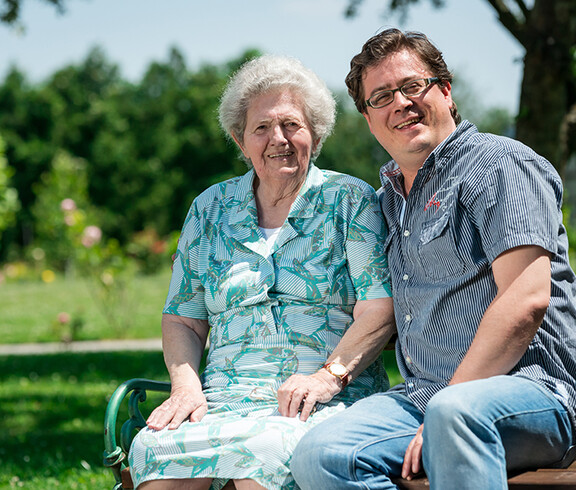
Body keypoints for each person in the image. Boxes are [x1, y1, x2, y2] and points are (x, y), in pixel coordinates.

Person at [291, 28, 576, 489]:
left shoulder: (500, 164)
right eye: (381, 96)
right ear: (368, 118)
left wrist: (452, 404)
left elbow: (527, 299)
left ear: (444, 90)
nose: (400, 103)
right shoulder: (386, 201)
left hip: (534, 391)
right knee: (321, 455)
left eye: (412, 86)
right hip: (423, 398)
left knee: (453, 414)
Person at [128, 54, 395, 490]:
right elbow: (182, 317)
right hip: (221, 402)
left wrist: (328, 378)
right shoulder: (209, 208)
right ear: (240, 139)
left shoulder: (349, 200)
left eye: (292, 125)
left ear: (315, 132)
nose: (279, 139)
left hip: (319, 400)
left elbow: (379, 306)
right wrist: (184, 388)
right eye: (262, 128)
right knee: (157, 449)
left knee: (264, 453)